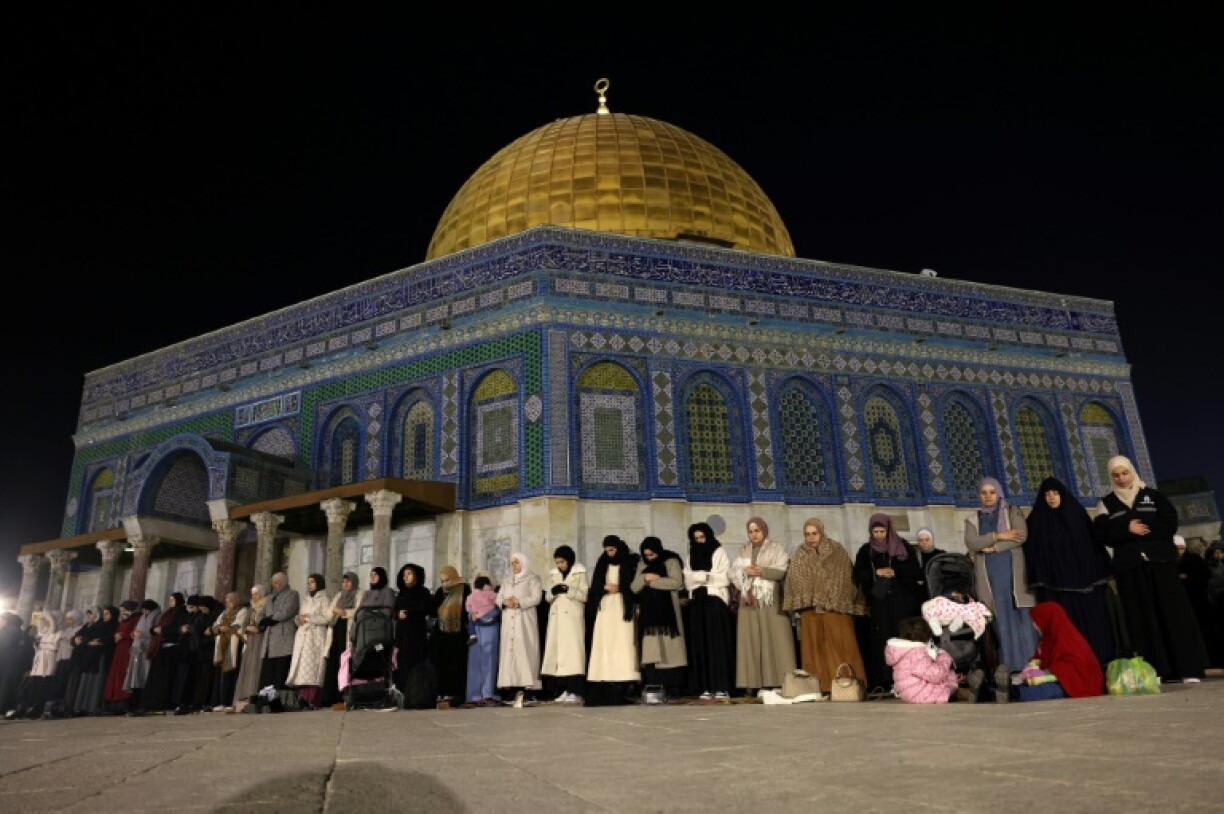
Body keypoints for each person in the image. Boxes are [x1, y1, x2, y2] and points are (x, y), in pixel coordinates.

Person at [1094, 456, 1206, 683]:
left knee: (1173, 613)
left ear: (1132, 472)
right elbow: (1101, 533)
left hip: (1160, 563)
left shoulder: (1153, 496)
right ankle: (1157, 670)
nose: (1121, 478)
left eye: (1125, 473)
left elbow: (1169, 523)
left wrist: (1141, 529)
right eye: (1116, 475)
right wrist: (1127, 527)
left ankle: (1188, 668)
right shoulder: (1105, 503)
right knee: (1142, 618)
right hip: (1130, 568)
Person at [1025, 476, 1116, 666]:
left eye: (1055, 493)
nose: (1051, 498)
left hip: (1086, 585)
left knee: (1093, 626)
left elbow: (1092, 547)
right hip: (1055, 588)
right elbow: (1032, 551)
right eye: (1047, 494)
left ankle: (1101, 662)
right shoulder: (1036, 521)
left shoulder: (1077, 515)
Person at [964, 477, 1038, 685]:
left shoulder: (1012, 510)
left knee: (1021, 618)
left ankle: (1031, 666)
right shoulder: (972, 519)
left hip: (1013, 574)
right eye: (983, 493)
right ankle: (1010, 669)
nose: (988, 496)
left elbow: (1020, 536)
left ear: (999, 494)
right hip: (989, 577)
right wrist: (998, 535)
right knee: (1000, 620)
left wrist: (994, 547)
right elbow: (972, 542)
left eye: (991, 492)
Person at [783, 517, 868, 696]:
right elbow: (795, 579)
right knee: (814, 649)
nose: (811, 538)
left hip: (835, 610)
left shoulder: (837, 551)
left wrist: (831, 597)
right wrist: (810, 598)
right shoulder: (800, 554)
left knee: (840, 647)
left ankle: (847, 686)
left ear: (821, 533)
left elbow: (844, 577)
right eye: (807, 534)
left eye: (814, 534)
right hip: (811, 610)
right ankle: (820, 687)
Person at [854, 513, 924, 693]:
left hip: (902, 603)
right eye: (875, 531)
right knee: (882, 640)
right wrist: (876, 573)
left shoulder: (902, 546)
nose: (878, 535)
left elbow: (914, 571)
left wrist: (895, 572)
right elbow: (857, 574)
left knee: (902, 638)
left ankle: (907, 678)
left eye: (881, 531)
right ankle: (884, 680)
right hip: (879, 604)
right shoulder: (866, 550)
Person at [731, 517, 796, 696]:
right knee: (751, 641)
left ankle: (777, 681)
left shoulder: (776, 548)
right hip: (749, 601)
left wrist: (761, 571)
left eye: (757, 531)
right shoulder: (743, 551)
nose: (753, 535)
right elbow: (733, 573)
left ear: (764, 531)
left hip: (770, 601)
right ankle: (754, 683)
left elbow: (783, 570)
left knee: (774, 639)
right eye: (750, 531)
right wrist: (745, 573)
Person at [682, 522, 734, 701]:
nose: (699, 541)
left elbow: (724, 578)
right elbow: (688, 580)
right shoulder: (691, 554)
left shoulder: (719, 552)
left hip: (715, 602)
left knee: (717, 646)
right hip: (697, 602)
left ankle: (721, 686)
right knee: (701, 646)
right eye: (696, 538)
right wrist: (705, 577)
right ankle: (704, 687)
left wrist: (701, 577)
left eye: (702, 537)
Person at [585, 535, 640, 706]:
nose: (609, 553)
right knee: (607, 642)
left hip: (624, 606)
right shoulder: (602, 562)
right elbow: (595, 585)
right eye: (606, 550)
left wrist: (620, 588)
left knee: (624, 641)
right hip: (607, 606)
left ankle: (627, 679)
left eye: (611, 550)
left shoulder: (631, 560)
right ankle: (606, 677)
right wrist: (604, 587)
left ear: (618, 547)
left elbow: (635, 583)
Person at [632, 536, 688, 698]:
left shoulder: (671, 561)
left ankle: (673, 685)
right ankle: (654, 681)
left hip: (668, 614)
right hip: (649, 616)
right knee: (652, 648)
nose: (649, 558)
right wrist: (644, 578)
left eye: (652, 555)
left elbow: (675, 583)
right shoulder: (642, 564)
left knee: (671, 649)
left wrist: (651, 582)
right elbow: (634, 587)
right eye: (647, 555)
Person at [1027, 601, 1105, 699]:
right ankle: (1013, 690)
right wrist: (1031, 668)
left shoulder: (1067, 638)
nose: (1034, 625)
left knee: (1047, 690)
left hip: (1077, 684)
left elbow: (1072, 668)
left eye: (1037, 621)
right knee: (1032, 685)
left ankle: (1015, 694)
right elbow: (1038, 658)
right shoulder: (1046, 639)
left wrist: (1044, 675)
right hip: (1057, 678)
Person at [542, 544, 588, 704]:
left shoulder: (580, 573)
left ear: (569, 560)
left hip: (572, 618)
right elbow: (547, 596)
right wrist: (553, 592)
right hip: (557, 619)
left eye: (562, 562)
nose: (560, 565)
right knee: (559, 654)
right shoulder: (553, 574)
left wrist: (567, 590)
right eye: (557, 562)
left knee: (573, 654)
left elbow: (584, 595)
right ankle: (563, 689)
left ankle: (576, 690)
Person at [496, 552, 544, 702]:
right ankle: (511, 688)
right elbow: (498, 597)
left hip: (524, 620)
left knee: (525, 650)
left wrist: (518, 602)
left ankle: (528, 690)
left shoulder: (532, 578)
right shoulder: (507, 580)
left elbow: (536, 598)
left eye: (517, 562)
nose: (514, 566)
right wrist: (505, 602)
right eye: (512, 563)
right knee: (510, 653)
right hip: (509, 620)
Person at [884, 616, 959, 704]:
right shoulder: (916, 653)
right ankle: (963, 691)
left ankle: (961, 687)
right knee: (947, 681)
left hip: (909, 693)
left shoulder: (902, 651)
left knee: (946, 677)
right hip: (921, 693)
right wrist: (944, 658)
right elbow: (935, 675)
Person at [286, 573, 331, 709]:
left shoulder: (324, 598)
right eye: (309, 582)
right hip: (302, 636)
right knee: (301, 670)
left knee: (313, 669)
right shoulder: (306, 598)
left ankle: (313, 700)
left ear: (319, 583)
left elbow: (327, 618)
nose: (310, 584)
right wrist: (298, 620)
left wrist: (309, 618)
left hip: (315, 637)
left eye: (312, 582)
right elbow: (299, 616)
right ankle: (301, 700)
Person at [431, 565, 471, 706]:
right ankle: (443, 693)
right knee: (442, 665)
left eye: (447, 580)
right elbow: (432, 609)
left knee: (456, 665)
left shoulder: (464, 590)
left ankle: (457, 694)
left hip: (457, 634)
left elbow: (467, 611)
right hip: (441, 635)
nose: (444, 584)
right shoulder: (440, 592)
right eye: (442, 581)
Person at [393, 564, 432, 698]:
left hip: (416, 633)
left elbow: (426, 609)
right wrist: (398, 614)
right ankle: (402, 692)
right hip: (401, 634)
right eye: (404, 575)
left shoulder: (423, 592)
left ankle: (415, 693)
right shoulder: (401, 593)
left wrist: (409, 613)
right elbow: (394, 610)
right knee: (401, 662)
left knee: (414, 662)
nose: (406, 577)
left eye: (409, 574)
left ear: (416, 576)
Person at [1175, 537, 1215, 666]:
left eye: (1182, 548)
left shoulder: (1194, 559)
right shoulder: (1171, 561)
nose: (1180, 551)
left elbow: (1205, 575)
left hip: (1198, 601)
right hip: (1183, 604)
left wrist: (1188, 577)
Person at [324, 572, 363, 707]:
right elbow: (329, 612)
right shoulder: (338, 595)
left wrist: (345, 612)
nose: (345, 584)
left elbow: (359, 611)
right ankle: (331, 696)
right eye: (343, 582)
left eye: (348, 581)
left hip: (348, 630)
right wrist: (336, 610)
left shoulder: (359, 594)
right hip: (336, 629)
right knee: (334, 661)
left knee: (345, 662)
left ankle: (344, 695)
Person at [259, 572, 301, 695]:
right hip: (269, 641)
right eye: (273, 583)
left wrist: (271, 619)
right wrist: (262, 620)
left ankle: (278, 698)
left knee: (280, 670)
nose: (274, 585)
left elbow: (286, 611)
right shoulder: (270, 597)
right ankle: (266, 697)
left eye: (277, 583)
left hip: (283, 638)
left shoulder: (292, 594)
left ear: (283, 582)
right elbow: (261, 613)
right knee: (268, 672)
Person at [210, 592, 249, 712]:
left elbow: (238, 625)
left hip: (234, 645)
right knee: (221, 675)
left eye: (230, 600)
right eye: (226, 600)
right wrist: (219, 628)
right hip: (222, 645)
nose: (228, 603)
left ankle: (230, 701)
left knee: (232, 673)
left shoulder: (242, 611)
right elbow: (215, 626)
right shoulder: (223, 613)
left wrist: (225, 628)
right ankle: (221, 701)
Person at [465, 574, 501, 705]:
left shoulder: (471, 596)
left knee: (475, 663)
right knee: (489, 662)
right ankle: (488, 693)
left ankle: (474, 695)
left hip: (475, 629)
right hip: (490, 628)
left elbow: (468, 609)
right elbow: (499, 604)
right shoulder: (491, 594)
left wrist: (475, 615)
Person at [101, 601, 141, 714]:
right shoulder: (124, 620)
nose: (122, 612)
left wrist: (123, 635)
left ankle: (123, 704)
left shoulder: (136, 619)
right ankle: (113, 705)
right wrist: (117, 636)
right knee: (116, 675)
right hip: (119, 650)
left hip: (128, 650)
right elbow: (118, 631)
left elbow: (135, 633)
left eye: (124, 609)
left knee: (124, 675)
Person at [121, 599, 160, 715]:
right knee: (136, 676)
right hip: (137, 649)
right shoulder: (143, 617)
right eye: (143, 610)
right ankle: (135, 704)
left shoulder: (157, 616)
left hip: (148, 649)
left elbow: (156, 631)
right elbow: (137, 630)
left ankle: (144, 704)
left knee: (145, 675)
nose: (145, 612)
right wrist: (134, 634)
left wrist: (143, 634)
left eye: (147, 609)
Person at [231, 585, 265, 712]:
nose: (254, 597)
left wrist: (259, 628)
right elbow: (243, 625)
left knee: (257, 666)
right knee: (248, 667)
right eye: (253, 594)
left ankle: (254, 695)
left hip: (261, 640)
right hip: (251, 641)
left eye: (257, 594)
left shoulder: (265, 607)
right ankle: (245, 695)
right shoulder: (251, 609)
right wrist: (247, 628)